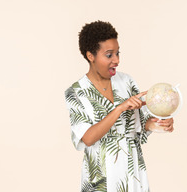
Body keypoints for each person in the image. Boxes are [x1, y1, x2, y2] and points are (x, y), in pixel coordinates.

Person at [65, 21, 174, 192]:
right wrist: (119, 108)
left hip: (133, 173)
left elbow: (139, 126)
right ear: (90, 56)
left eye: (117, 53)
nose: (117, 60)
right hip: (101, 180)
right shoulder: (76, 92)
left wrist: (159, 123)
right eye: (109, 55)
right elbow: (87, 138)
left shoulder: (126, 81)